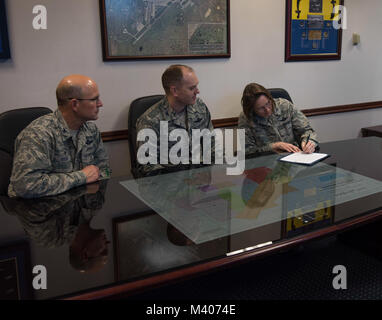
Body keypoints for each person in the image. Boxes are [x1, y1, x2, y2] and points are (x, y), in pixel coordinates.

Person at [8, 74, 110, 198]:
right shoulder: (39, 134)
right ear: (74, 105)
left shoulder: (91, 130)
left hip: (80, 207)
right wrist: (81, 177)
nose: (100, 104)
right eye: (94, 99)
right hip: (40, 212)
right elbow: (25, 186)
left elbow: (105, 171)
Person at [136, 64, 215, 177]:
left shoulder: (200, 108)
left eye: (196, 86)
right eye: (191, 88)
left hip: (200, 183)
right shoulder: (150, 121)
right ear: (174, 91)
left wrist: (212, 176)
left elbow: (212, 146)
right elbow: (149, 168)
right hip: (170, 188)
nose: (197, 91)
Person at [238, 83, 318, 156]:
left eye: (268, 103)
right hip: (267, 162)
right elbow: (247, 152)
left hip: (295, 156)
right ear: (251, 109)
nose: (268, 110)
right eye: (261, 108)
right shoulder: (246, 119)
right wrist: (273, 146)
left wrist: (308, 142)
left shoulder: (285, 106)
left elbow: (307, 131)